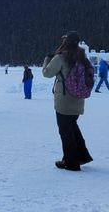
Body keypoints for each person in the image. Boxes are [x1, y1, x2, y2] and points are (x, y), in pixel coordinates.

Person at [42, 31, 93, 171]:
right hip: (78, 98)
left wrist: (47, 59)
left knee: (65, 131)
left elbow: (46, 73)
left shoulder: (60, 57)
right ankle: (82, 155)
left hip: (64, 100)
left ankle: (71, 162)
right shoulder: (82, 56)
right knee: (72, 127)